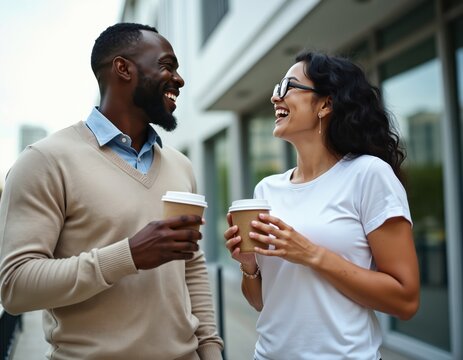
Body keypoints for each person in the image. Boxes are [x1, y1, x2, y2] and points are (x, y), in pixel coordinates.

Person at [0, 23, 223, 360]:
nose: (179, 79)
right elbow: (16, 287)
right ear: (123, 68)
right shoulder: (45, 161)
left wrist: (210, 349)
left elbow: (191, 266)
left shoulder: (181, 166)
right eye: (167, 66)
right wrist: (128, 256)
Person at [224, 51, 420, 360]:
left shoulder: (368, 175)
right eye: (277, 89)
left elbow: (405, 300)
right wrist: (249, 266)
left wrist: (311, 254)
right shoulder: (267, 190)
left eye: (288, 86)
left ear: (325, 104)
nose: (276, 98)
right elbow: (262, 302)